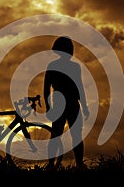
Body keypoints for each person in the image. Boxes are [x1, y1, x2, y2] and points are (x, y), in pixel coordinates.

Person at [44, 36, 89, 170]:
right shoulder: (70, 66)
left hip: (66, 103)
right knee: (67, 135)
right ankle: (58, 164)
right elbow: (79, 87)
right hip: (67, 103)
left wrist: (48, 106)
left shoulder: (57, 66)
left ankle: (75, 163)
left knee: (60, 134)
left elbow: (79, 87)